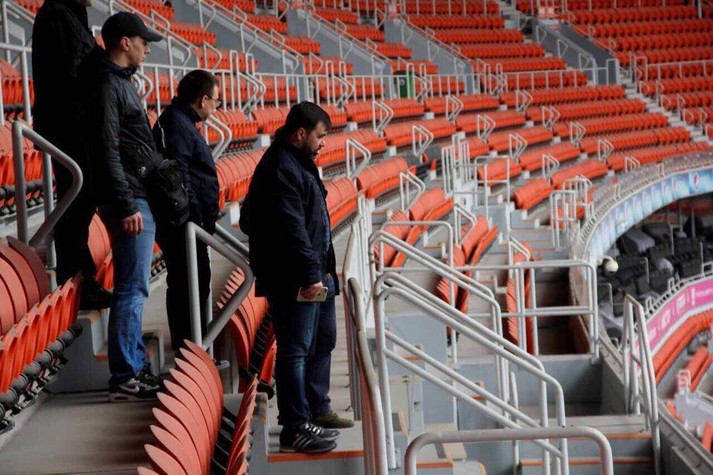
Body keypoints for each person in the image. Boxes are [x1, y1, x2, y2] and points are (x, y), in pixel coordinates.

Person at [240, 102, 353, 455]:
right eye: (320, 136)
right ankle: (295, 425)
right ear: (301, 133)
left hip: (314, 271)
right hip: (296, 278)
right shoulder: (280, 166)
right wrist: (310, 273)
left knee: (322, 341)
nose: (324, 143)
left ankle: (317, 409)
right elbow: (291, 227)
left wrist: (322, 270)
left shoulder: (298, 161)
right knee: (296, 350)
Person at [81, 12, 163, 402]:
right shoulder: (107, 85)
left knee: (135, 286)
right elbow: (107, 150)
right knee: (132, 287)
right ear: (124, 43)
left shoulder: (118, 82)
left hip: (133, 194)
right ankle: (126, 376)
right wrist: (127, 203)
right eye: (143, 41)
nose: (148, 48)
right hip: (129, 199)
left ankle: (132, 368)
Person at [32, 0, 112, 309]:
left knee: (82, 201)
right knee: (78, 200)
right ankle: (76, 284)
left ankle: (81, 281)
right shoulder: (57, 14)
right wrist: (108, 64)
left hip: (74, 125)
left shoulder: (70, 13)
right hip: (67, 126)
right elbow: (78, 67)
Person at [152, 70, 221, 356]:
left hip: (189, 223)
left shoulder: (181, 121)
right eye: (216, 100)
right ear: (203, 99)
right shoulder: (178, 124)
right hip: (183, 225)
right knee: (188, 284)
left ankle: (193, 346)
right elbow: (179, 176)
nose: (216, 107)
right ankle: (189, 349)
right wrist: (194, 217)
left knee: (196, 282)